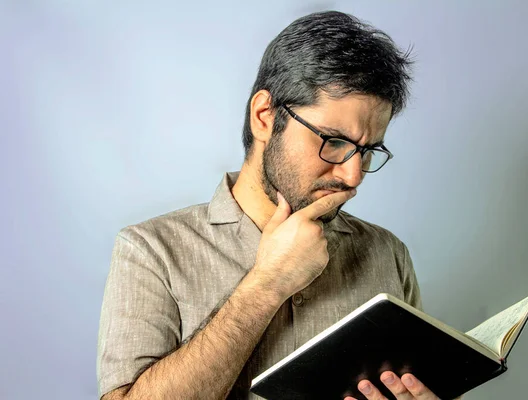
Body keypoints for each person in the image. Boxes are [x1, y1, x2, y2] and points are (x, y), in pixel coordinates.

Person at [98, 10, 457, 400]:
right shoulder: (151, 251)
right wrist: (267, 284)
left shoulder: (389, 254)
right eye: (334, 141)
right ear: (265, 117)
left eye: (367, 151)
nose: (353, 176)